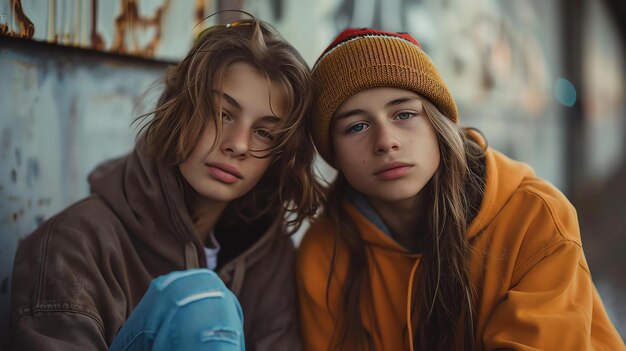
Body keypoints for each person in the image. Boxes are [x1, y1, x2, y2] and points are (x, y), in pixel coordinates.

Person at [297, 28, 625, 351]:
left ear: (438, 124)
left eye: (404, 114)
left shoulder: (533, 217)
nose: (386, 141)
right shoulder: (324, 254)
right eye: (356, 126)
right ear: (333, 153)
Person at [9, 16, 323, 350]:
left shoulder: (269, 255)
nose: (239, 144)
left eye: (264, 132)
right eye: (222, 114)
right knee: (200, 306)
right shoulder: (74, 243)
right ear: (179, 111)